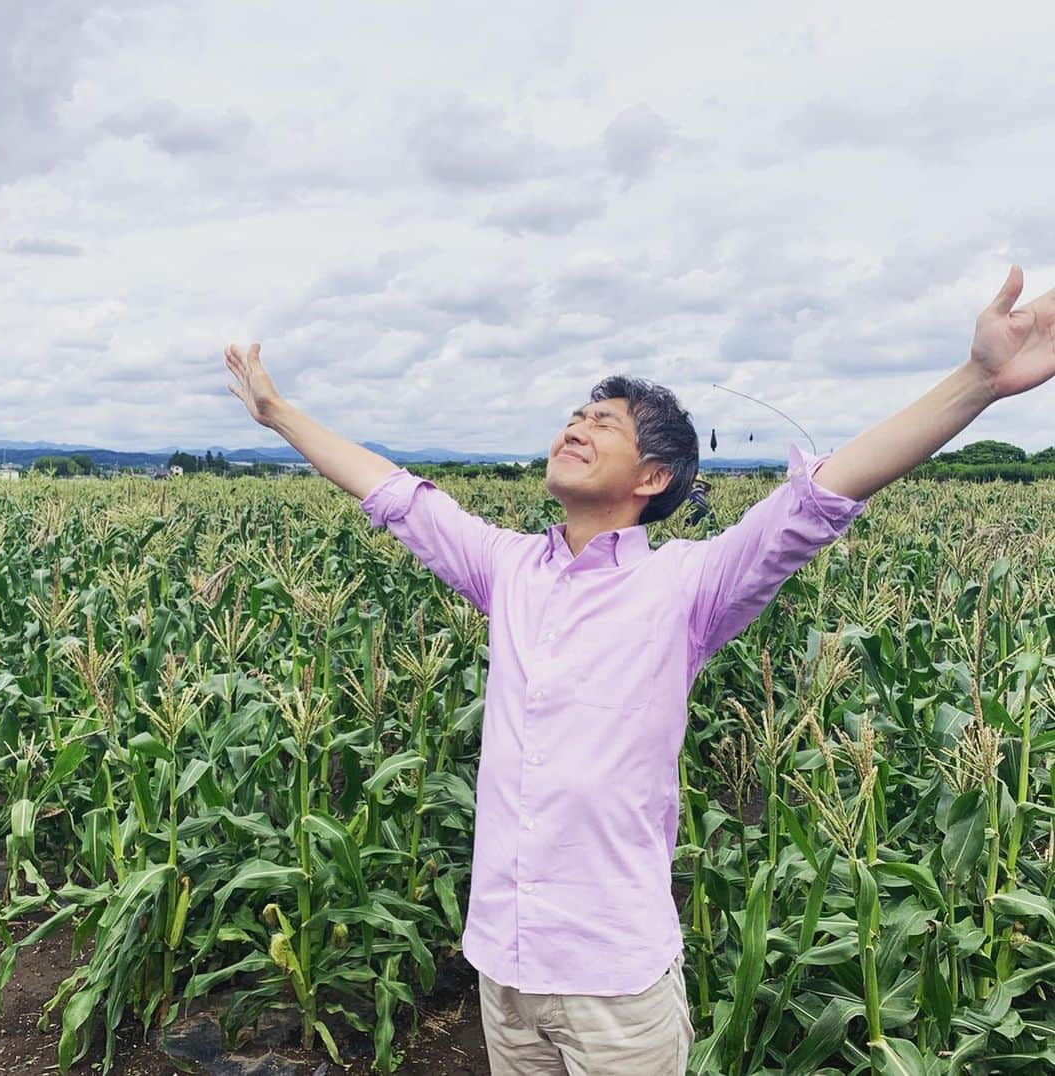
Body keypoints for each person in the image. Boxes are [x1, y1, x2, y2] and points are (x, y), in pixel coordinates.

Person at [224, 265, 1055, 1075]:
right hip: (503, 968)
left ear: (652, 478)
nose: (575, 427)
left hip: (614, 986)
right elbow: (395, 495)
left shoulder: (686, 584)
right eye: (575, 415)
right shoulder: (506, 568)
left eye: (604, 423)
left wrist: (977, 381)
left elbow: (820, 499)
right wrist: (277, 414)